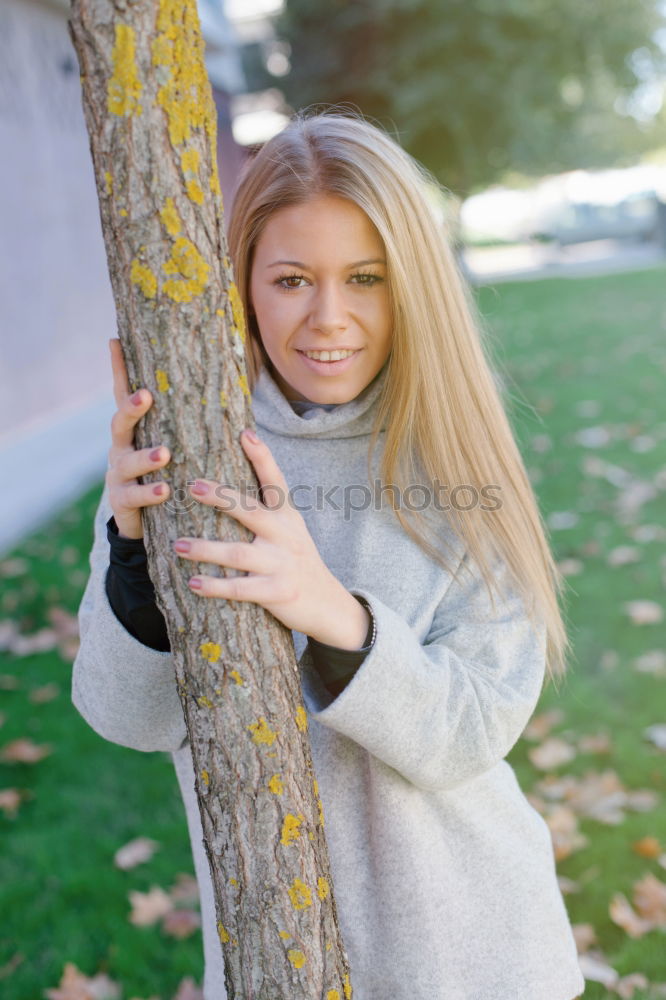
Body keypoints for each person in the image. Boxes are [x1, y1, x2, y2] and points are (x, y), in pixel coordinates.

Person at [72, 107, 585, 1000]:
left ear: (410, 286)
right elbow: (129, 718)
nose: (329, 319)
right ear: (244, 283)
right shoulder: (194, 452)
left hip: (471, 959)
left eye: (365, 278)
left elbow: (474, 730)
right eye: (292, 279)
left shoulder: (454, 456)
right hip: (277, 961)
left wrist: (334, 617)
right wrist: (129, 554)